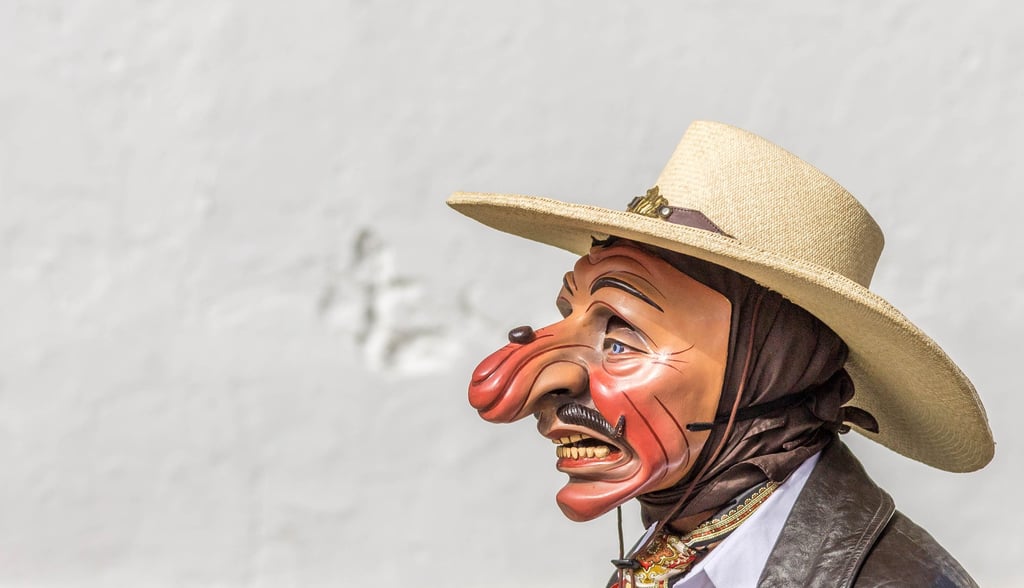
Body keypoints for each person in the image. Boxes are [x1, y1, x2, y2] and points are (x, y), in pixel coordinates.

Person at [447, 121, 993, 587]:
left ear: (769, 372)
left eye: (620, 337)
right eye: (569, 315)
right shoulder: (678, 550)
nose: (542, 384)